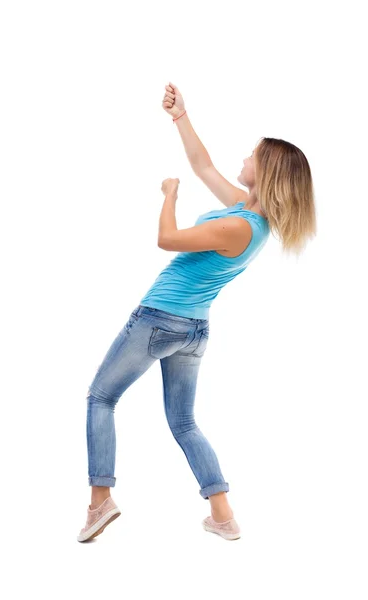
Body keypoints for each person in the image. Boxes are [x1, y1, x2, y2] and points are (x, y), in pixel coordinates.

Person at [77, 82, 317, 543]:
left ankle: (99, 501)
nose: (244, 158)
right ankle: (223, 516)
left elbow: (167, 238)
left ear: (265, 171)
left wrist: (169, 194)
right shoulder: (251, 217)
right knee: (184, 422)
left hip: (157, 320)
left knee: (100, 398)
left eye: (252, 154)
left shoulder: (236, 224)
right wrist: (181, 116)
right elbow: (203, 164)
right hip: (193, 329)